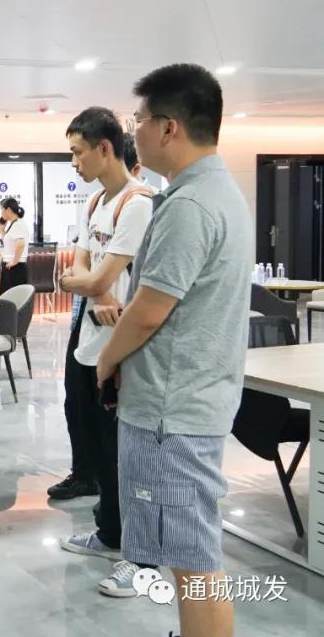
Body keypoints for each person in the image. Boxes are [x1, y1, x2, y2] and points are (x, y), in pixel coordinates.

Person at [97, 64, 250, 637]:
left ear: (168, 127)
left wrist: (108, 359)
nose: (133, 132)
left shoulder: (189, 205)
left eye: (138, 121)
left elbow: (149, 310)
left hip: (171, 410)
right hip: (190, 399)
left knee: (192, 561)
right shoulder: (215, 191)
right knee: (192, 555)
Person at [56, 107, 154, 587]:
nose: (74, 163)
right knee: (91, 440)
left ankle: (142, 555)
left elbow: (91, 276)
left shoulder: (137, 204)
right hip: (88, 342)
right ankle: (110, 532)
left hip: (121, 349)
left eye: (78, 153)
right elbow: (79, 269)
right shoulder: (95, 202)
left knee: (125, 454)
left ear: (105, 148)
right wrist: (91, 288)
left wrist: (88, 283)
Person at [0, 197, 29, 295]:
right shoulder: (14, 224)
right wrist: (2, 230)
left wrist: (14, 261)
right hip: (12, 267)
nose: (1, 213)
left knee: (13, 299)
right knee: (9, 298)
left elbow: (20, 244)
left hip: (15, 268)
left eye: (2, 210)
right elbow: (8, 244)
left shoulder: (18, 224)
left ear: (8, 210)